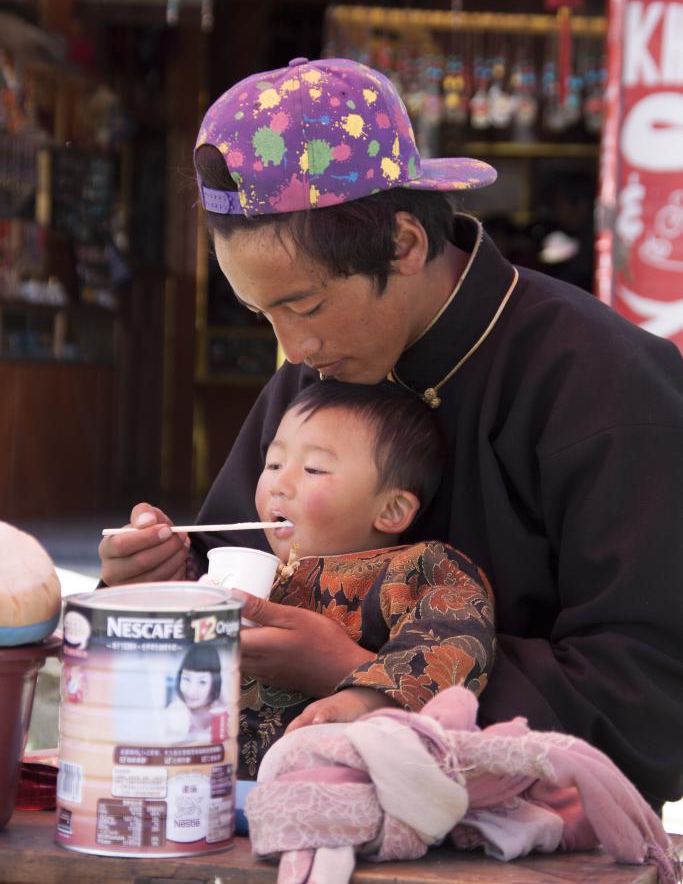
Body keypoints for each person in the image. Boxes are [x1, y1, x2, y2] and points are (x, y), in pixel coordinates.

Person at [99, 56, 683, 810]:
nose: (292, 349)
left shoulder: (604, 384)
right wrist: (156, 589)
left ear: (404, 243)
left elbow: (651, 697)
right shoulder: (315, 376)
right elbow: (232, 570)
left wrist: (363, 672)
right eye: (262, 314)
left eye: (304, 307)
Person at [236, 377, 495, 778]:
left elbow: (450, 644)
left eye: (313, 468)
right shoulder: (259, 575)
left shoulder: (418, 569)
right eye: (273, 463)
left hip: (337, 786)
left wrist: (366, 700)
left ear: (391, 510)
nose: (279, 485)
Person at [165, 643, 228, 744]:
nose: (192, 691)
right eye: (186, 679)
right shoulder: (177, 711)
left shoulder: (222, 711)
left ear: (214, 683)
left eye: (202, 682)